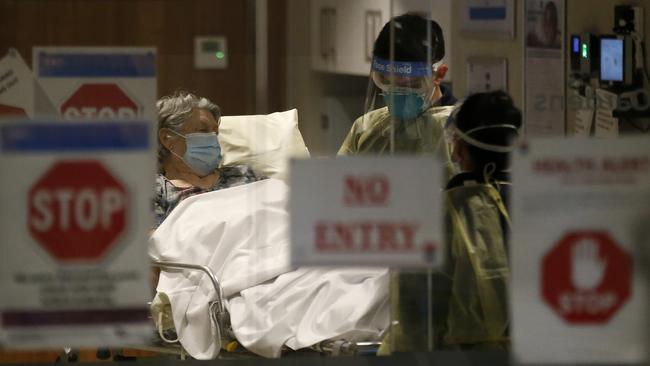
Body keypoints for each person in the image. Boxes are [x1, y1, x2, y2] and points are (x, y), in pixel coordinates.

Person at [436, 90, 522, 349]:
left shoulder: (452, 210)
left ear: (461, 149)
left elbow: (416, 308)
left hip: (466, 354)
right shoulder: (539, 203)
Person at [338, 13, 456, 158]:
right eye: (387, 82)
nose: (399, 93)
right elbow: (339, 178)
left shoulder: (460, 132)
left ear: (439, 75)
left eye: (411, 85)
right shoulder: (366, 129)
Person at [154, 91, 265, 227]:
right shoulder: (154, 191)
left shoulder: (244, 174)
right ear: (167, 138)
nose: (213, 139)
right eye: (203, 130)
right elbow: (155, 243)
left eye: (215, 133)